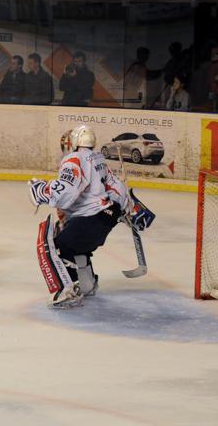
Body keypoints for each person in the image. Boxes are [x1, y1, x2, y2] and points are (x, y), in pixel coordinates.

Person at [28, 125, 154, 308]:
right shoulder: (98, 159)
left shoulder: (74, 159)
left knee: (59, 246)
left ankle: (67, 292)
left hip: (92, 217)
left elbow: (66, 192)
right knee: (78, 245)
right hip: (106, 218)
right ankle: (87, 285)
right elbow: (116, 187)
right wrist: (128, 208)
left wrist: (41, 190)